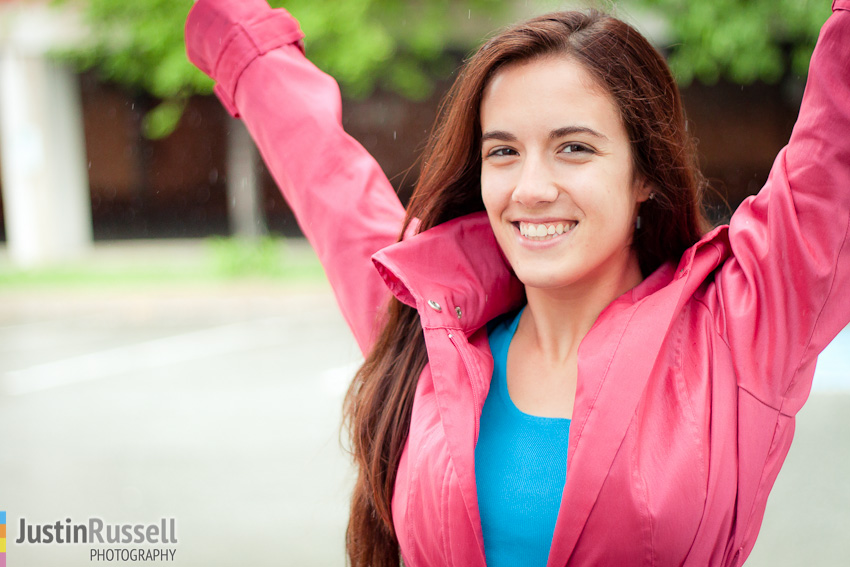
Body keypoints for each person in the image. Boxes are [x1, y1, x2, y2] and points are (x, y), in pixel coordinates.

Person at [185, 0, 850, 565]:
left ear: (645, 173)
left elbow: (835, 144)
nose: (531, 189)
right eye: (503, 151)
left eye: (574, 147)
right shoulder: (431, 322)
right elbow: (321, 166)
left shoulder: (742, 323)